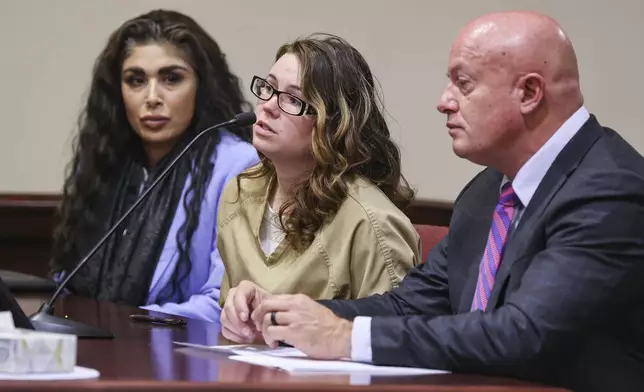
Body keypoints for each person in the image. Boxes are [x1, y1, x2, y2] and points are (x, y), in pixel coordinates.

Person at [220, 12, 644, 392]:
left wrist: (344, 338)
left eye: (463, 83)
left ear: (529, 93)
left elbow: (524, 333)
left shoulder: (609, 190)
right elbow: (409, 305)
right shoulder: (486, 192)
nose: (444, 101)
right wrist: (291, 316)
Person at [50, 9, 259, 322]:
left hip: (181, 359)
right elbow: (68, 283)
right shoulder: (107, 165)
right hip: (93, 347)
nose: (151, 97)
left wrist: (123, 323)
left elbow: (224, 303)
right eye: (135, 80)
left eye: (171, 79)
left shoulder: (237, 165)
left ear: (202, 87)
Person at [216, 33, 420, 313]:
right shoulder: (240, 191)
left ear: (335, 124)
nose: (268, 106)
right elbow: (227, 309)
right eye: (268, 88)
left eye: (292, 99)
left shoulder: (370, 221)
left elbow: (395, 336)